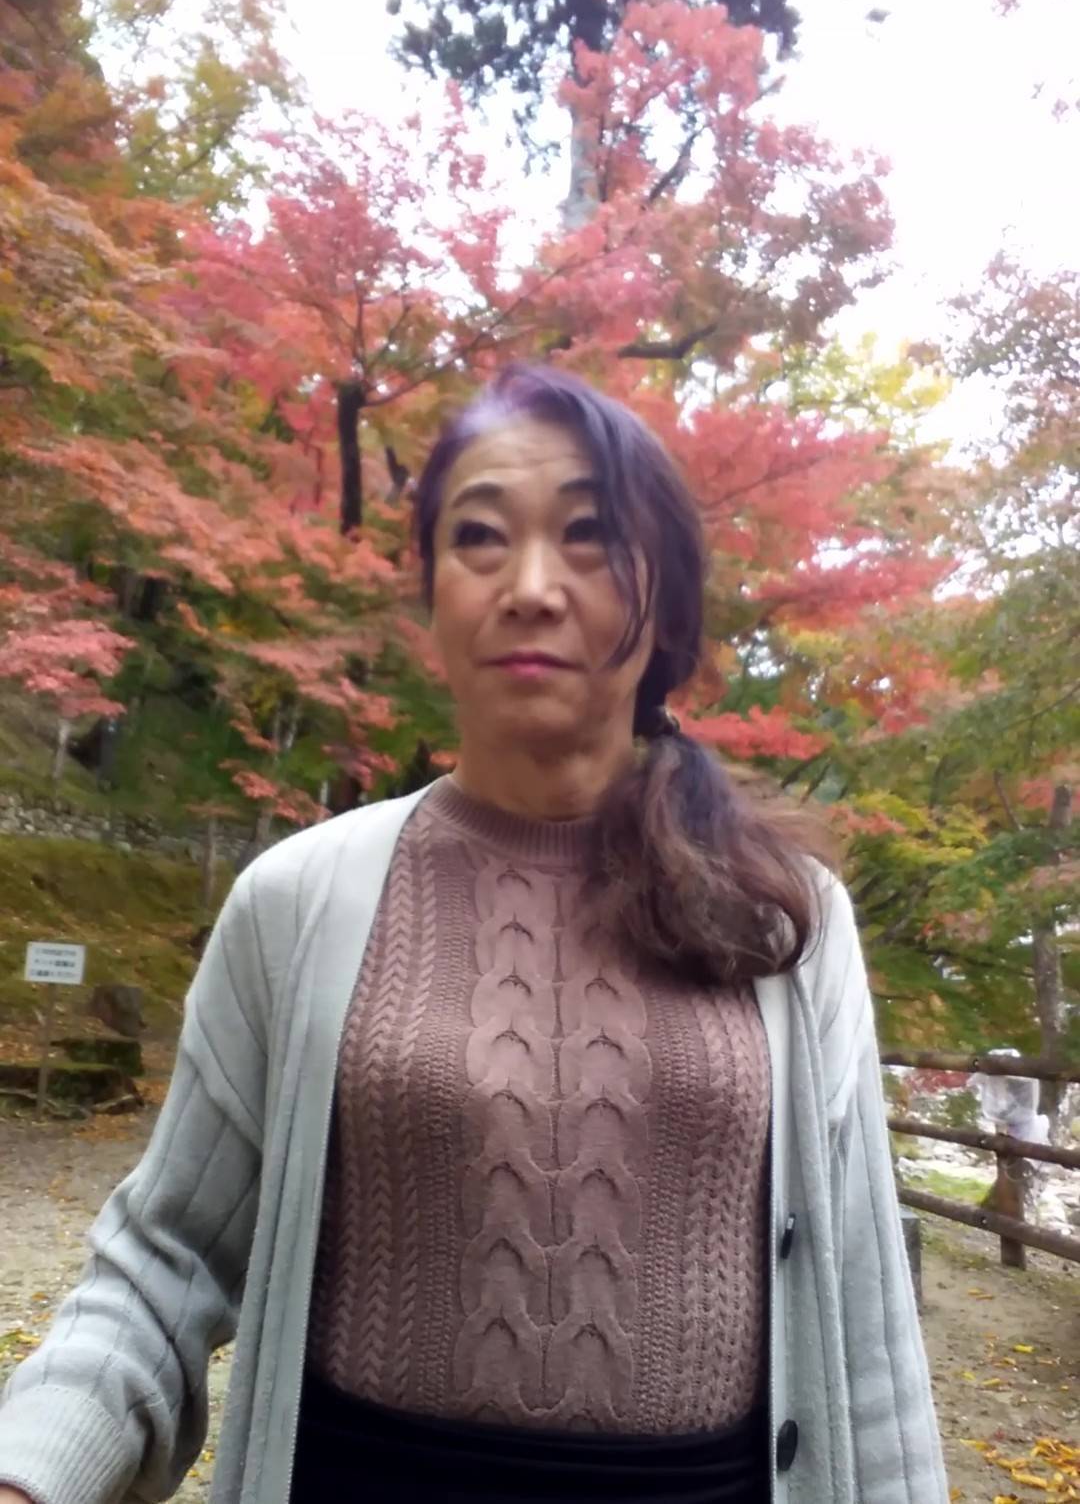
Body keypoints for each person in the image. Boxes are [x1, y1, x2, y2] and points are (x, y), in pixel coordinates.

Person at [0, 364, 948, 1504]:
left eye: (590, 535)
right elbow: (162, 1263)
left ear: (668, 607)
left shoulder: (784, 918)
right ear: (435, 602)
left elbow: (865, 1326)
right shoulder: (299, 899)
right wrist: (30, 1471)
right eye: (481, 536)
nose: (531, 587)